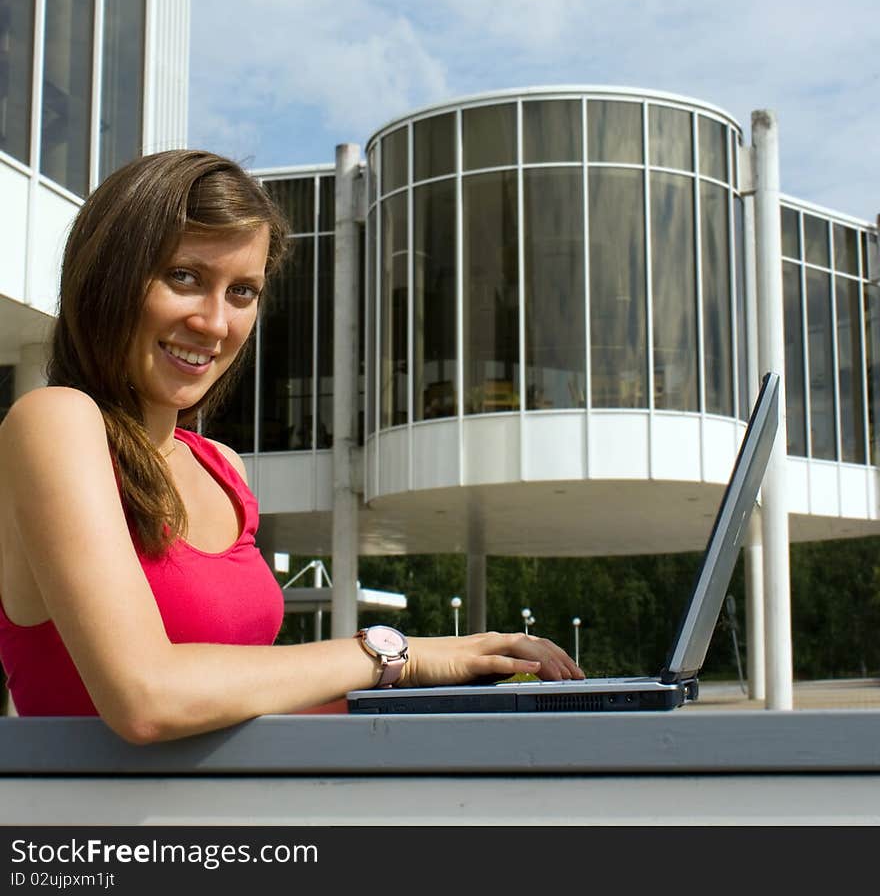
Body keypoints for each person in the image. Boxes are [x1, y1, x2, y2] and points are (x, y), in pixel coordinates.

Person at [0, 149, 582, 743]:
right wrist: (397, 655)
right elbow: (147, 697)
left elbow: (241, 707)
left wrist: (460, 684)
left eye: (242, 292)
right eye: (185, 277)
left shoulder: (220, 466)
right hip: (103, 834)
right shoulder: (56, 421)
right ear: (107, 277)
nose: (215, 322)